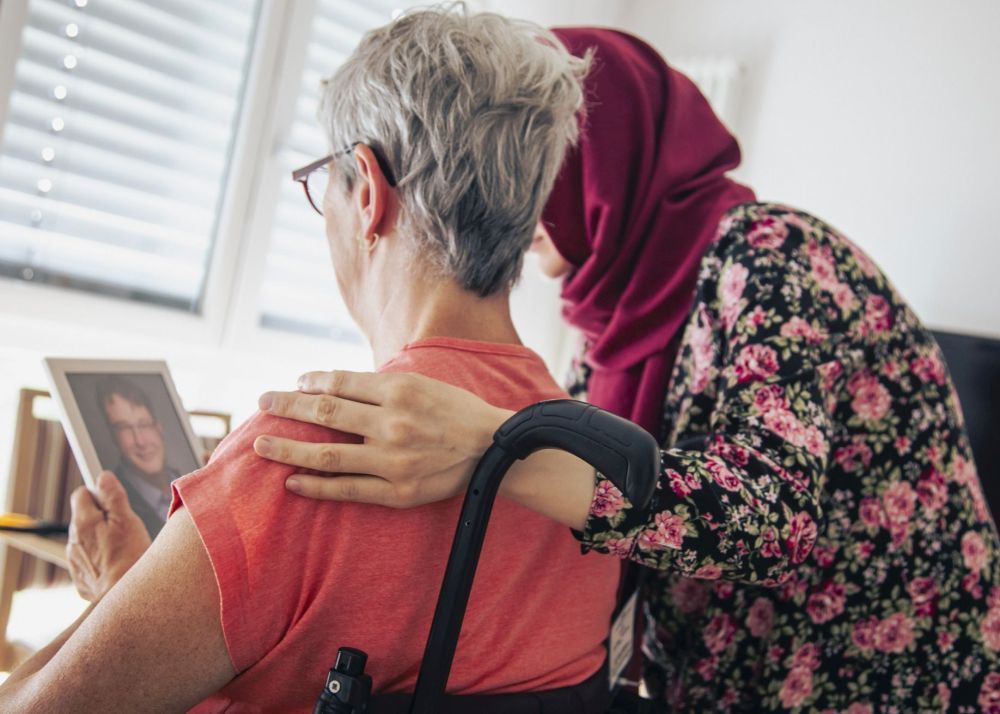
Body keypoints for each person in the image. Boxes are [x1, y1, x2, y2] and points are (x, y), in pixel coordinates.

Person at [253, 28, 1000, 712]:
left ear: (607, 160)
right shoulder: (603, 327)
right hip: (719, 685)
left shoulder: (773, 254)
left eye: (534, 163)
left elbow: (774, 520)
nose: (509, 199)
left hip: (898, 683)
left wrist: (496, 445)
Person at [0, 9, 620, 711]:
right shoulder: (590, 477)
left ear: (368, 194)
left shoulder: (308, 456)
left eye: (324, 178)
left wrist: (116, 595)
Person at [96, 376, 179, 537]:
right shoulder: (113, 507)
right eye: (125, 428)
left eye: (144, 424)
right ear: (113, 436)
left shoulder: (190, 480)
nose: (141, 441)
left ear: (158, 427)